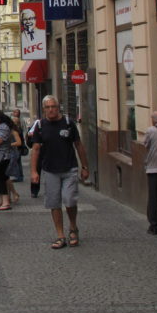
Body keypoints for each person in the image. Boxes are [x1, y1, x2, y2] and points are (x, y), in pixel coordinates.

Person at [30, 95, 90, 249]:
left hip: (69, 168)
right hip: (50, 170)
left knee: (70, 200)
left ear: (58, 107)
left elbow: (78, 145)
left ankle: (73, 227)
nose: (51, 110)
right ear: (44, 110)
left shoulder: (68, 123)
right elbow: (36, 149)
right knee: (54, 203)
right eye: (48, 107)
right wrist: (33, 172)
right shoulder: (41, 126)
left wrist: (84, 166)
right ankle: (60, 235)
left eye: (54, 107)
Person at [0, 110, 14, 211]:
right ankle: (1, 200)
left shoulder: (3, 127)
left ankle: (6, 201)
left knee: (0, 178)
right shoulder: (1, 127)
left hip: (3, 156)